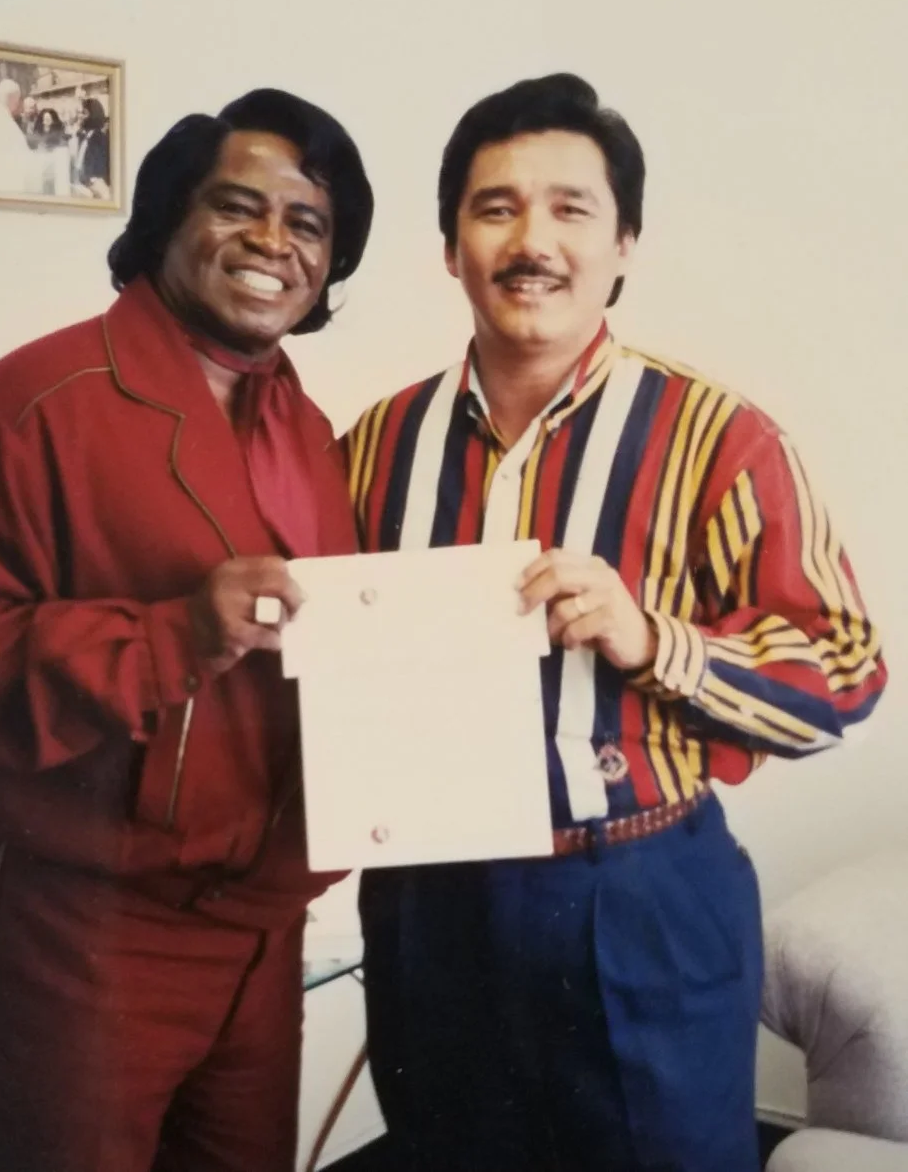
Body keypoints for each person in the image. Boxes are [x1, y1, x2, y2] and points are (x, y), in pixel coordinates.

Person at [345, 73, 887, 1172]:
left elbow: (846, 671)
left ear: (625, 244)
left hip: (637, 897)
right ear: (450, 246)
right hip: (429, 907)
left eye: (570, 208)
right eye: (494, 207)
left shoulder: (719, 437)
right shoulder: (368, 448)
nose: (530, 239)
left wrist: (655, 640)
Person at [0, 87, 374, 1172]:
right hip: (86, 934)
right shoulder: (32, 403)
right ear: (166, 218)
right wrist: (169, 633)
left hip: (264, 932)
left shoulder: (308, 428)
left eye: (308, 224)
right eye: (238, 206)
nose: (273, 244)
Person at [0, 77, 36, 195]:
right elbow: (20, 158)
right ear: (14, 99)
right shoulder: (5, 123)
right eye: (18, 99)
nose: (19, 104)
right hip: (3, 187)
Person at [72, 95, 111, 198]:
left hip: (93, 184)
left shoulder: (100, 138)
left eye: (84, 113)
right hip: (80, 182)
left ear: (93, 115)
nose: (80, 116)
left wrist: (91, 180)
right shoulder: (82, 135)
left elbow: (101, 166)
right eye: (80, 113)